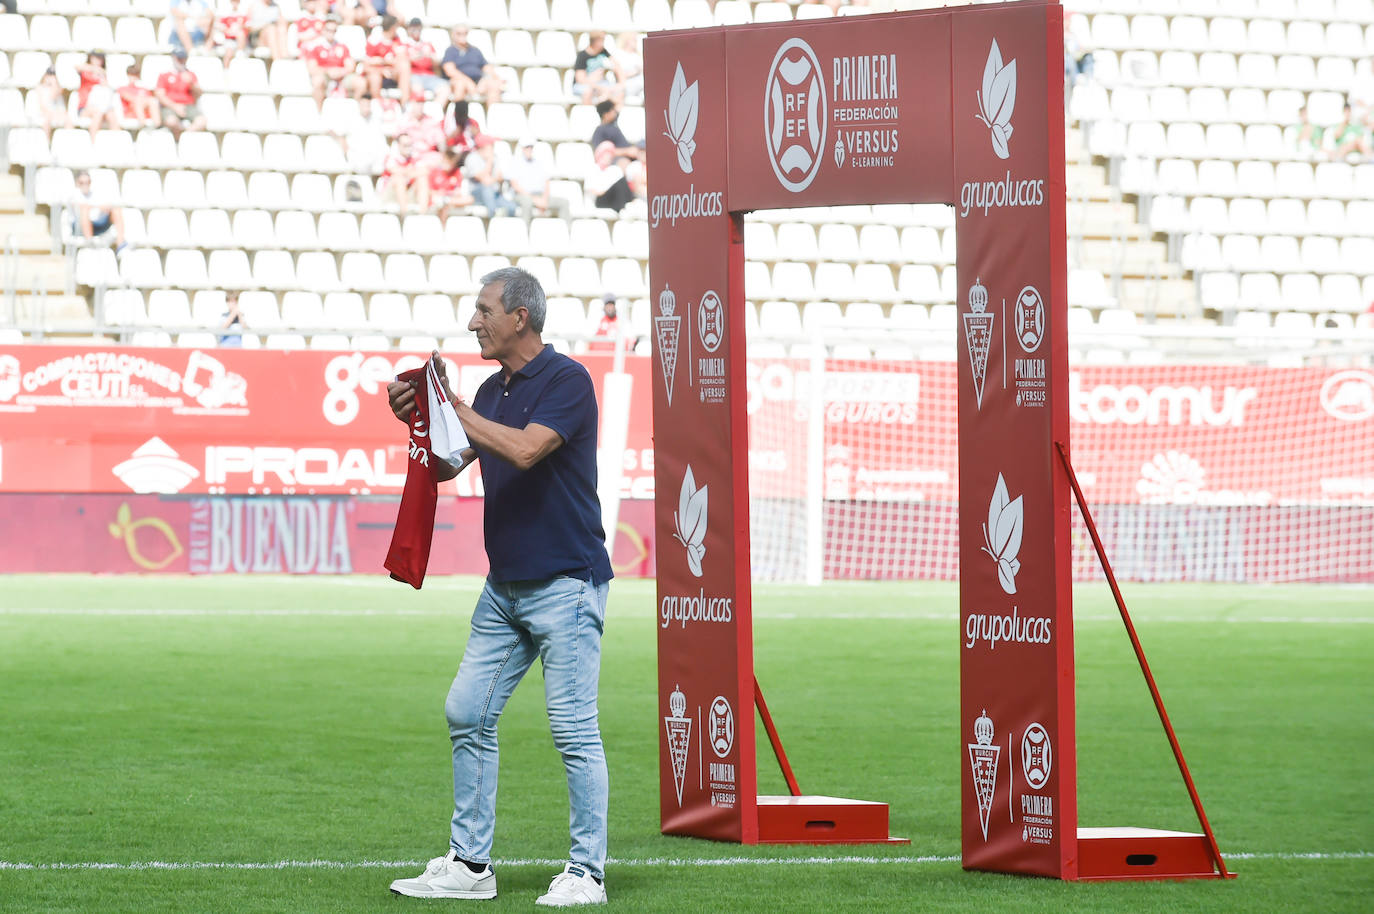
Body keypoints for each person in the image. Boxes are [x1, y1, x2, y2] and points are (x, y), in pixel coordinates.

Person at [385, 266, 613, 907]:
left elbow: (524, 451)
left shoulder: (568, 380)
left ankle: (587, 874)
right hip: (506, 586)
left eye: (484, 310)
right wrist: (419, 418)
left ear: (521, 317)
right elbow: (451, 462)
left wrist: (451, 405)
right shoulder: (490, 389)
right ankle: (470, 865)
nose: (472, 321)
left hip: (567, 583)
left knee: (572, 731)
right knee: (466, 711)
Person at [505, 137, 569, 221]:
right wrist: (535, 200)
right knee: (527, 203)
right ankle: (525, 230)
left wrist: (544, 199)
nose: (529, 149)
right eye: (527, 147)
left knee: (564, 202)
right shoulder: (515, 163)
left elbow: (546, 183)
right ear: (522, 148)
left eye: (531, 147)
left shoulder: (539, 163)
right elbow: (515, 186)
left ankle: (567, 230)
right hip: (522, 196)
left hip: (540, 195)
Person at [305, 17, 363, 111]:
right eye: (328, 30)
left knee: (360, 83)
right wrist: (328, 71)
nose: (331, 33)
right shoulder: (316, 47)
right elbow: (312, 68)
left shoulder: (342, 46)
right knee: (317, 81)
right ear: (323, 30)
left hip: (342, 77)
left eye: (334, 30)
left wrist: (340, 72)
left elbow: (351, 66)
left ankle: (354, 110)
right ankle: (319, 112)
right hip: (325, 76)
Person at [70, 169, 129, 254]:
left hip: (98, 223)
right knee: (84, 211)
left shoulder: (95, 193)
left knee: (116, 210)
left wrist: (100, 208)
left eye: (88, 182)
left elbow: (106, 205)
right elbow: (81, 206)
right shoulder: (74, 194)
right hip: (80, 227)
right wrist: (96, 207)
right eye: (82, 182)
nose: (85, 185)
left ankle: (120, 245)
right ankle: (89, 243)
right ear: (77, 183)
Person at [441, 25, 502, 105]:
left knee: (493, 85)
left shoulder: (475, 51)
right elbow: (450, 71)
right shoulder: (450, 51)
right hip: (459, 81)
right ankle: (459, 115)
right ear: (453, 35)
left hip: (477, 81)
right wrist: (468, 82)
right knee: (460, 84)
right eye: (459, 33)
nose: (462, 36)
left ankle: (494, 114)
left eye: (465, 33)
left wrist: (496, 78)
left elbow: (486, 67)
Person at [156, 48, 208, 139]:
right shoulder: (165, 75)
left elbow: (199, 94)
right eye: (179, 58)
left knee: (201, 121)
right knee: (171, 121)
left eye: (183, 58)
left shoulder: (190, 75)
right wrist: (175, 106)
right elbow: (160, 95)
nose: (182, 61)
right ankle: (179, 139)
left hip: (188, 106)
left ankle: (184, 136)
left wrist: (191, 84)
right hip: (170, 106)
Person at [363, 15, 413, 105]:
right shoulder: (375, 40)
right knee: (375, 77)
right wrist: (382, 67)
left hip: (393, 72)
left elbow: (402, 57)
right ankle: (377, 106)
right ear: (393, 28)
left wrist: (391, 64)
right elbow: (367, 63)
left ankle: (405, 104)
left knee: (405, 67)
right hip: (377, 71)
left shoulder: (397, 40)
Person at [464, 135, 516, 217]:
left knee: (512, 207)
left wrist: (493, 178)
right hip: (477, 194)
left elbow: (500, 178)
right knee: (487, 191)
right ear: (483, 146)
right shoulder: (472, 158)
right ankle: (494, 222)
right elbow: (485, 182)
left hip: (494, 194)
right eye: (491, 144)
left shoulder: (495, 158)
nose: (493, 146)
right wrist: (489, 161)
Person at [75, 52, 121, 140]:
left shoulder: (104, 75)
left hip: (103, 107)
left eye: (99, 59)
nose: (97, 61)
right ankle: (93, 143)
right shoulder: (85, 72)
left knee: (112, 116)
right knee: (97, 113)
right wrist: (95, 69)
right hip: (85, 108)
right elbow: (77, 67)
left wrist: (102, 75)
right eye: (95, 58)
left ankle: (116, 142)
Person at [421, 147, 474, 221]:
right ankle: (443, 229)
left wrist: (448, 196)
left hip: (450, 199)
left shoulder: (456, 172)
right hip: (437, 200)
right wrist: (440, 194)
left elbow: (458, 191)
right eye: (448, 159)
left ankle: (446, 201)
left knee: (469, 199)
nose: (449, 162)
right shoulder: (434, 171)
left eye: (452, 160)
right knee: (442, 204)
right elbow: (429, 191)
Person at [404, 17, 448, 104]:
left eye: (418, 28)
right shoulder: (405, 45)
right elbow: (401, 64)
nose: (416, 30)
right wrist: (413, 58)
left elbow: (437, 63)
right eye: (413, 28)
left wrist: (430, 56)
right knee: (418, 91)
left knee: (445, 89)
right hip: (414, 76)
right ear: (409, 29)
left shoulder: (427, 45)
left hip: (430, 76)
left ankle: (433, 113)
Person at [572, 30, 623, 105]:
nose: (603, 43)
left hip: (600, 83)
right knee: (588, 91)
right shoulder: (582, 56)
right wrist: (595, 84)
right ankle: (589, 112)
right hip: (585, 84)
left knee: (618, 92)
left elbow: (616, 65)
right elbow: (580, 79)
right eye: (602, 40)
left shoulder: (603, 52)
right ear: (595, 41)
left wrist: (621, 82)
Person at [379, 132, 423, 214]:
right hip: (390, 194)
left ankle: (422, 214)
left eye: (410, 145)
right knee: (399, 179)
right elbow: (394, 170)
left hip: (409, 192)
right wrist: (411, 171)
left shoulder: (414, 158)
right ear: (398, 145)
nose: (408, 148)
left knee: (422, 180)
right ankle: (405, 216)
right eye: (405, 145)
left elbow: (424, 171)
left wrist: (407, 172)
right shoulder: (391, 157)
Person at [28, 69, 71, 140]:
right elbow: (42, 106)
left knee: (68, 120)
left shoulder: (57, 88)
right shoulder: (39, 88)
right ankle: (46, 143)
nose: (50, 77)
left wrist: (54, 84)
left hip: (55, 113)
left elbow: (56, 94)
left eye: (53, 75)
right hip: (43, 113)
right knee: (47, 120)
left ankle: (67, 140)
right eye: (49, 75)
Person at [117, 64, 160, 128]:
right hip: (131, 113)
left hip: (146, 112)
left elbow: (149, 99)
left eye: (135, 75)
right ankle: (143, 125)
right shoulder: (123, 88)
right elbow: (129, 98)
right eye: (131, 75)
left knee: (152, 101)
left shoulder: (143, 88)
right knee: (138, 101)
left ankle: (157, 125)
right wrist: (140, 98)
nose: (133, 77)